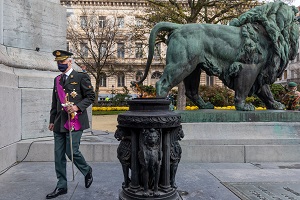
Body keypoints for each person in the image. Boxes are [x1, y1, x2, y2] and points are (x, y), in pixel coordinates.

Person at [47, 50, 95, 199]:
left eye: (62, 62)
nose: (60, 65)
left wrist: (76, 107)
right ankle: (61, 185)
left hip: (76, 121)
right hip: (59, 122)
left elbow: (91, 97)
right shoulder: (57, 80)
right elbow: (55, 102)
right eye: (58, 62)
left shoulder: (81, 77)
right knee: (58, 154)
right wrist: (51, 120)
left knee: (71, 151)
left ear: (70, 62)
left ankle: (87, 170)